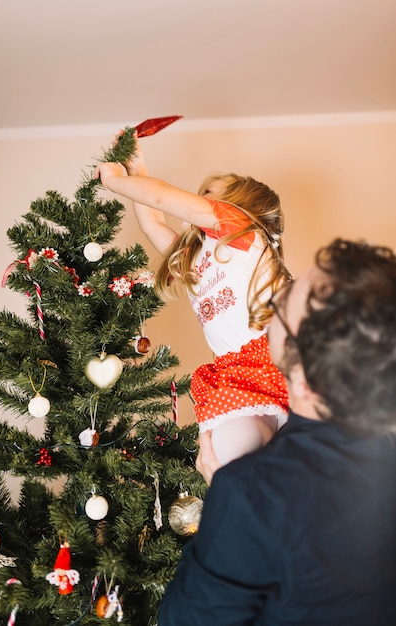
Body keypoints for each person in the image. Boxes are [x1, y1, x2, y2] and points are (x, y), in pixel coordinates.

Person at [158, 238, 396, 625]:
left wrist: (224, 500)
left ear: (305, 382)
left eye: (280, 311)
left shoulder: (249, 492)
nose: (270, 311)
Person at [95, 134, 291, 466]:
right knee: (231, 447)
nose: (197, 200)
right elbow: (152, 220)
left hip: (276, 360)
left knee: (255, 445)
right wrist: (136, 169)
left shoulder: (243, 235)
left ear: (237, 204)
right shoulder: (195, 259)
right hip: (234, 377)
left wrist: (115, 182)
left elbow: (163, 198)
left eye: (208, 194)